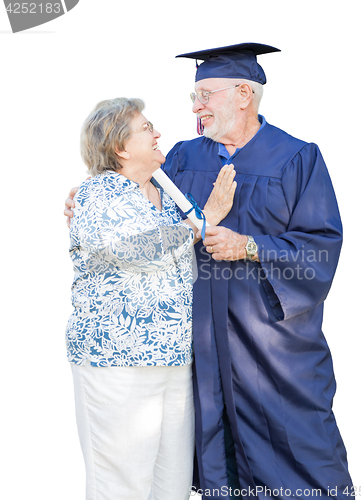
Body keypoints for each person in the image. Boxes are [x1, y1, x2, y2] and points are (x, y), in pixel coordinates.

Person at [65, 43, 354, 500]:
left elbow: (321, 243)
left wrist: (252, 246)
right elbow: (126, 190)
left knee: (298, 442)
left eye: (206, 93)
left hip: (269, 339)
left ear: (243, 94)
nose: (195, 106)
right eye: (193, 96)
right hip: (196, 341)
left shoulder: (296, 158)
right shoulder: (181, 158)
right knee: (204, 460)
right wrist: (85, 193)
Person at [65, 97, 236, 500]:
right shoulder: (97, 195)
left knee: (171, 486)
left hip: (173, 361)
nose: (158, 133)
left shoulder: (165, 191)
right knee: (121, 486)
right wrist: (203, 220)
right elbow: (132, 249)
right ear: (120, 147)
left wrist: (198, 220)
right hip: (118, 363)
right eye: (146, 128)